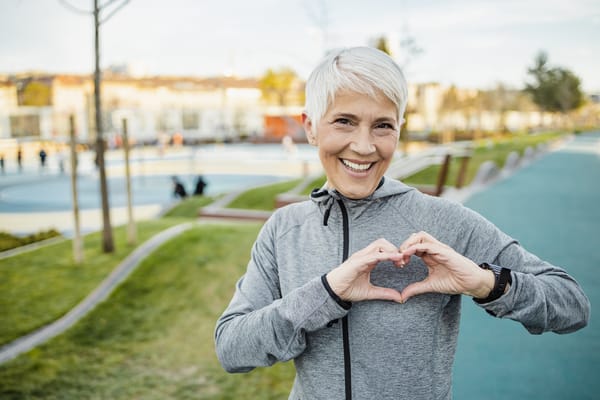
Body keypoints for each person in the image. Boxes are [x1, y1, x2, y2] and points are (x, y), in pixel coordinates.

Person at [214, 47, 590, 400]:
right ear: (310, 127)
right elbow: (232, 348)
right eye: (344, 122)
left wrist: (484, 282)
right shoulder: (284, 230)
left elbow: (571, 304)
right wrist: (327, 293)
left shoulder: (443, 220)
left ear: (400, 129)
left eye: (382, 126)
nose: (364, 146)